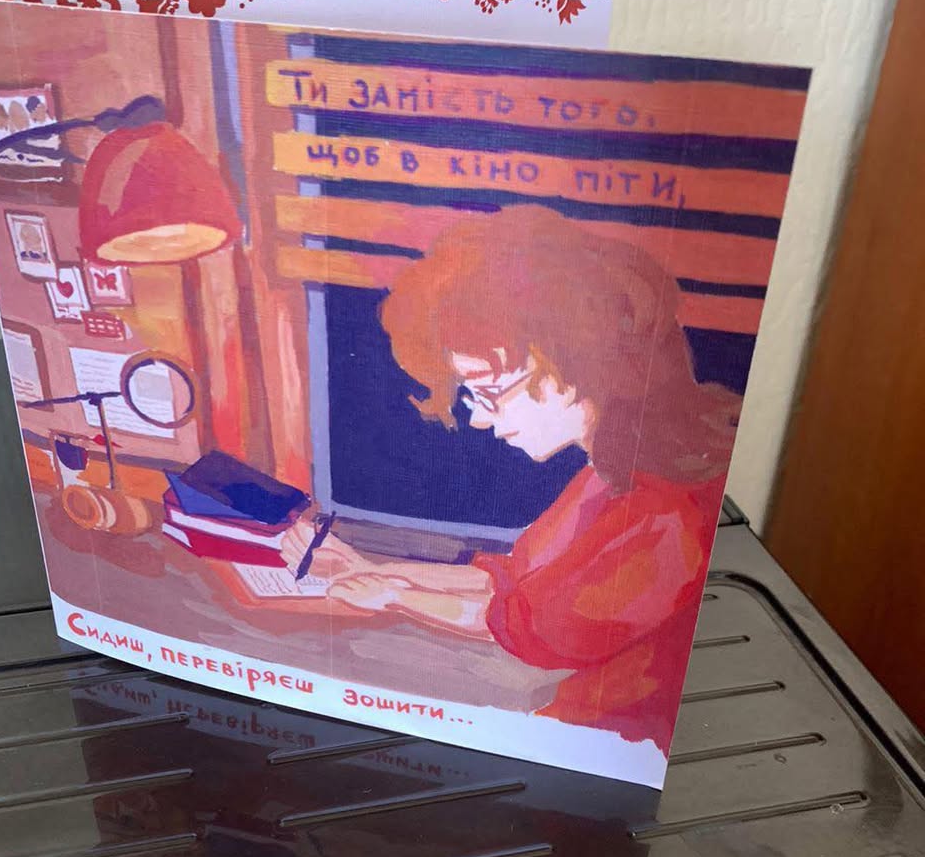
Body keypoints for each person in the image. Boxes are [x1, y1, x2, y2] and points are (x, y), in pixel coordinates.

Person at [281, 206, 740, 753]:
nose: (477, 417)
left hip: (600, 746)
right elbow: (512, 579)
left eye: (489, 391)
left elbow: (531, 627)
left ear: (579, 366)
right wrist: (370, 570)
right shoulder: (608, 476)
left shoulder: (667, 514)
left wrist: (393, 595)